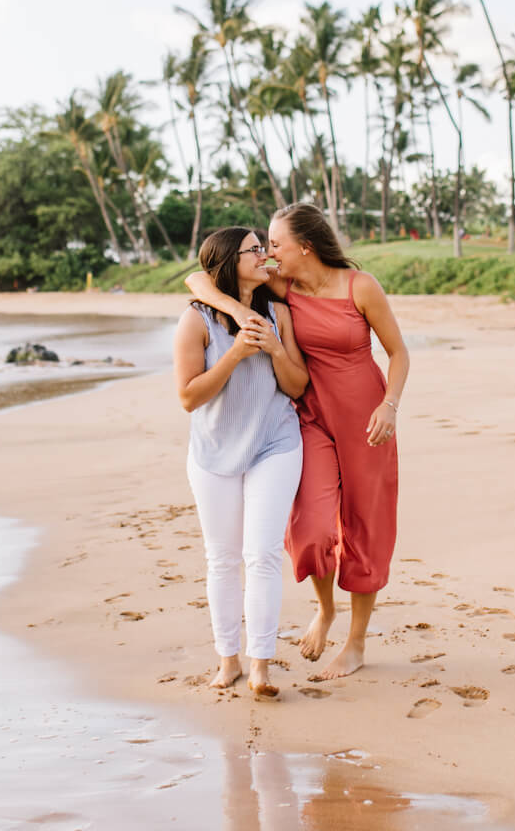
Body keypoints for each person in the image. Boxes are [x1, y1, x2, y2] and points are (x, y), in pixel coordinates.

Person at [186, 203, 410, 681]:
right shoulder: (280, 285)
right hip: (310, 416)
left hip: (367, 419)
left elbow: (398, 352)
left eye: (276, 244)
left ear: (304, 247)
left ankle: (356, 642)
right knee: (308, 528)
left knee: (365, 528)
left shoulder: (360, 287)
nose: (268, 252)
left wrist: (389, 405)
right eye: (264, 245)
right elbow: (198, 280)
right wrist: (235, 310)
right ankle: (326, 610)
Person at [173, 226, 309, 699]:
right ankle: (228, 659)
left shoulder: (278, 311)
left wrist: (272, 347)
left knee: (264, 554)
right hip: (213, 451)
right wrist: (234, 354)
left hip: (275, 442)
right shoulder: (197, 320)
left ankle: (261, 665)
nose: (263, 256)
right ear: (231, 261)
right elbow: (189, 397)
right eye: (254, 250)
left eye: (263, 248)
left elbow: (296, 386)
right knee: (223, 558)